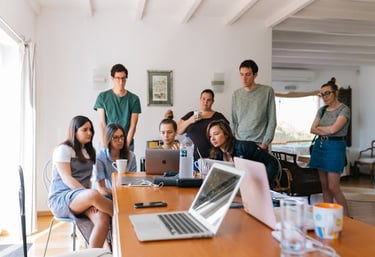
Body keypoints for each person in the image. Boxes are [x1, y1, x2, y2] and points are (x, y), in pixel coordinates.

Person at [48, 115, 113, 248]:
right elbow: (67, 179)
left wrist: (90, 199)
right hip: (62, 198)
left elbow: (87, 181)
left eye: (91, 130)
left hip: (81, 198)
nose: (89, 133)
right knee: (95, 194)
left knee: (102, 219)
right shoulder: (64, 149)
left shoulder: (89, 152)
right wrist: (90, 197)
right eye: (85, 129)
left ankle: (97, 253)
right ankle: (124, 217)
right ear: (74, 131)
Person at [309, 77, 350, 216]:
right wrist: (326, 129)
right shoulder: (321, 110)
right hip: (320, 146)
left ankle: (347, 219)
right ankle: (328, 216)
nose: (324, 97)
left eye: (327, 93)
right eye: (322, 94)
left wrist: (321, 128)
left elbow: (334, 130)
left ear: (335, 93)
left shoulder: (344, 109)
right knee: (324, 187)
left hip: (335, 147)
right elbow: (312, 129)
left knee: (333, 186)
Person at [207, 119, 279, 188]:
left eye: (216, 134)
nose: (212, 139)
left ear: (226, 134)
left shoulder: (244, 147)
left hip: (256, 187)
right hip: (238, 189)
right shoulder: (217, 154)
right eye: (210, 136)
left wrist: (264, 183)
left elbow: (272, 162)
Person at [94, 64, 141, 151]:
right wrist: (105, 144)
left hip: (126, 141)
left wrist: (126, 146)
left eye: (123, 78)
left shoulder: (134, 99)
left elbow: (133, 125)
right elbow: (102, 123)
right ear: (112, 78)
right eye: (118, 78)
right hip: (108, 141)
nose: (121, 81)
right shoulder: (102, 97)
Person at [231, 59, 276, 150]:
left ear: (255, 75)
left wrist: (265, 143)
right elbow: (234, 121)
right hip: (239, 143)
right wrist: (232, 143)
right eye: (241, 74)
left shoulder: (267, 91)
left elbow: (272, 120)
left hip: (259, 144)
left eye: (247, 74)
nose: (244, 78)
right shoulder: (236, 94)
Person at [177, 89, 229, 160]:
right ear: (200, 99)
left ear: (212, 102)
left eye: (208, 100)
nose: (205, 102)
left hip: (213, 157)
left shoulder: (218, 116)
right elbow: (178, 131)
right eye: (203, 99)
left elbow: (228, 134)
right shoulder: (191, 115)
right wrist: (190, 120)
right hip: (190, 158)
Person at [94, 123, 137, 198]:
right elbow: (101, 188)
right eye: (115, 137)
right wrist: (118, 193)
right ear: (109, 139)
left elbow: (132, 181)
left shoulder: (131, 156)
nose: (120, 140)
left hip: (126, 192)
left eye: (122, 137)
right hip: (108, 194)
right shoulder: (100, 157)